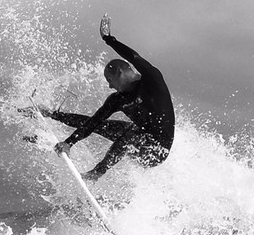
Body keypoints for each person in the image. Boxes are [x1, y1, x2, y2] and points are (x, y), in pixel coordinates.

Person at [40, 15, 174, 181]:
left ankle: (97, 173)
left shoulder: (152, 81)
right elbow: (93, 123)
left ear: (119, 72)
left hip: (158, 151)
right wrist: (69, 142)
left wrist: (109, 39)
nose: (110, 86)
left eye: (110, 80)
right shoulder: (117, 99)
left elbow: (135, 58)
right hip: (138, 141)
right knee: (101, 125)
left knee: (131, 133)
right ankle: (53, 114)